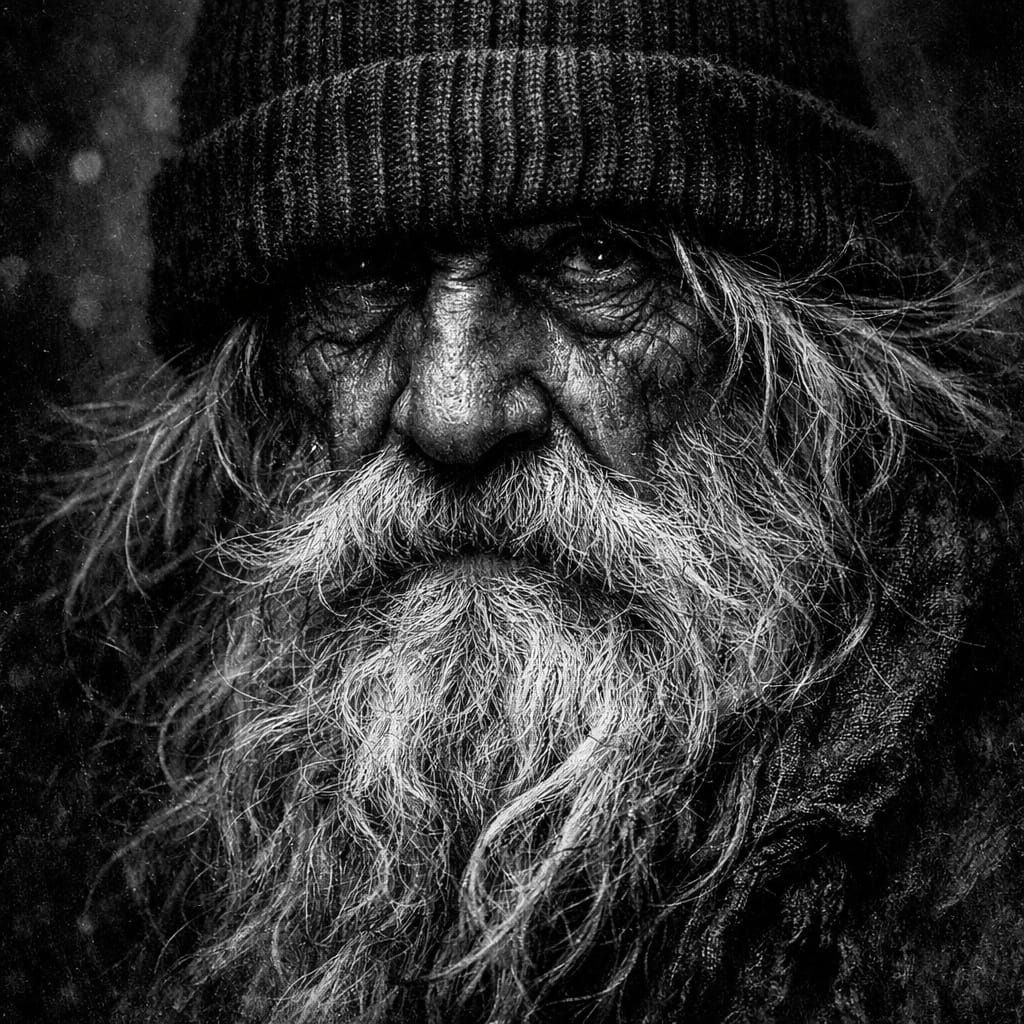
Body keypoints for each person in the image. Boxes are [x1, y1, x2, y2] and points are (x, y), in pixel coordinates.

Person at [11, 0, 1024, 1021]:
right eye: (362, 274)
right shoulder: (75, 865)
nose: (454, 412)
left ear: (810, 370)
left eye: (594, 257)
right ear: (251, 387)